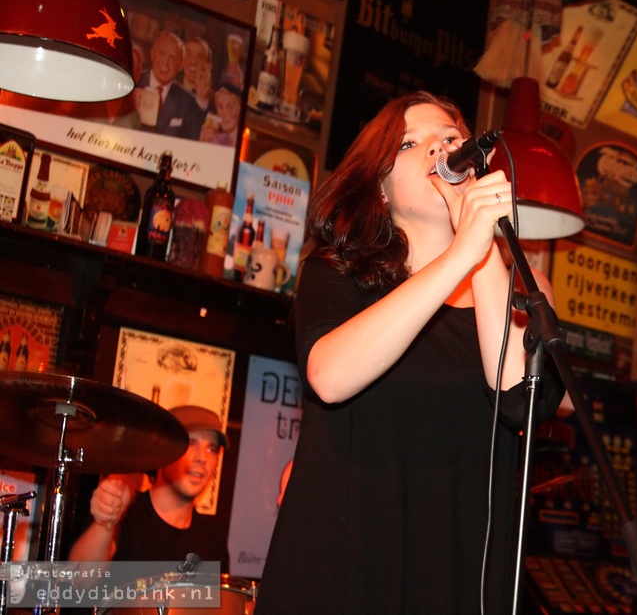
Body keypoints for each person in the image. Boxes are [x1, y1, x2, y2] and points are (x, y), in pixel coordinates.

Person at [254, 91, 564, 614]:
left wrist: (482, 246)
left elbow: (520, 401)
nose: (437, 150)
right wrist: (461, 253)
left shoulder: (522, 287)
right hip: (345, 573)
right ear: (380, 187)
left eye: (450, 139)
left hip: (454, 578)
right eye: (410, 143)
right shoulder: (336, 272)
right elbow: (329, 375)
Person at [68, 405, 231, 570]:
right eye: (190, 442)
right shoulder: (126, 514)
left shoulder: (213, 540)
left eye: (212, 449)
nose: (202, 458)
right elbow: (78, 582)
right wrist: (106, 522)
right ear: (164, 450)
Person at [135, 31, 204, 139]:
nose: (165, 62)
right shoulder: (133, 84)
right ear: (152, 53)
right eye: (161, 53)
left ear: (180, 65)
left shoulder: (189, 103)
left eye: (173, 58)